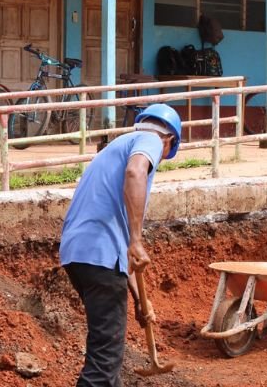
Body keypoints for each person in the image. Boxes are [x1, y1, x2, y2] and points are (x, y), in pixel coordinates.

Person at [59, 103, 182, 386]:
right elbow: (135, 173)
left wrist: (141, 301)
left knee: (108, 361)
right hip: (99, 256)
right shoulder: (150, 140)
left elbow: (120, 249)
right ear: (170, 141)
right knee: (103, 365)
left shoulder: (117, 146)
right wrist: (137, 240)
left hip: (81, 254)